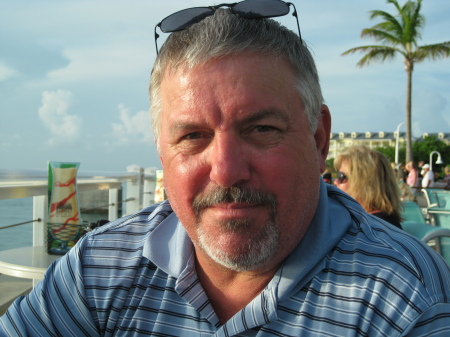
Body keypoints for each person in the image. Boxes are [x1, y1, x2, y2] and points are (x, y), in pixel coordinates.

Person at [2, 2, 450, 336]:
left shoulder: (406, 302)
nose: (227, 171)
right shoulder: (98, 268)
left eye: (260, 129)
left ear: (318, 139)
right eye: (193, 136)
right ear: (162, 151)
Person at [333, 146, 404, 229]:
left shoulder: (373, 230)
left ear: (364, 183)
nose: (335, 182)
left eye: (341, 176)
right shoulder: (382, 223)